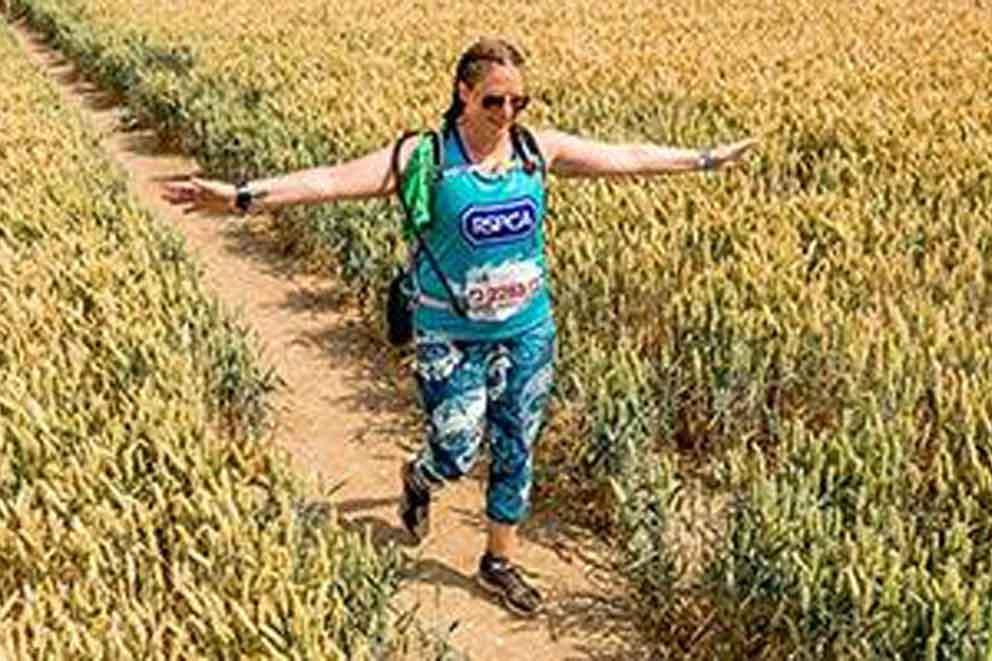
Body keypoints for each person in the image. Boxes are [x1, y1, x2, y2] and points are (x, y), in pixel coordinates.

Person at [163, 36, 755, 617]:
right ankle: (421, 477)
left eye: (517, 103)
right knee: (456, 446)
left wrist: (702, 159)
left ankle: (498, 560)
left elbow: (624, 158)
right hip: (449, 334)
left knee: (516, 443)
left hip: (527, 329)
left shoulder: (533, 152)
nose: (506, 114)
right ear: (463, 94)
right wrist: (241, 198)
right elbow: (327, 182)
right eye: (494, 101)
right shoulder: (424, 158)